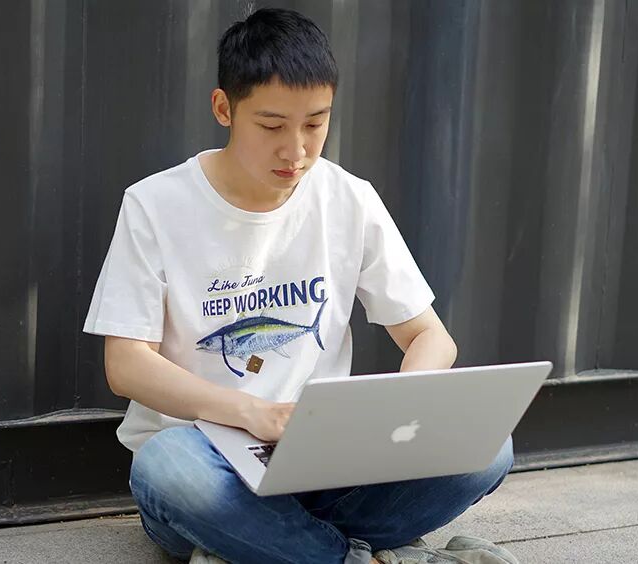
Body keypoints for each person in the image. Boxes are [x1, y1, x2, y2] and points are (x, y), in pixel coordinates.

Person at [83, 7, 518, 564]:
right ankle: (356, 556)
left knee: (487, 444)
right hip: (211, 461)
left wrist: (399, 410)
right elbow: (126, 365)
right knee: (166, 469)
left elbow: (430, 336)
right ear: (224, 108)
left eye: (315, 124)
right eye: (271, 126)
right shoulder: (155, 204)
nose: (296, 151)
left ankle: (272, 549)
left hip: (327, 467)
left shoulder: (349, 198)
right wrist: (252, 413)